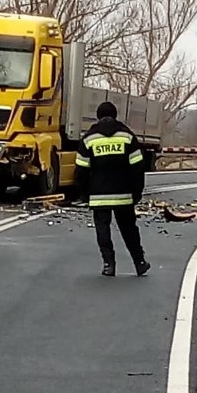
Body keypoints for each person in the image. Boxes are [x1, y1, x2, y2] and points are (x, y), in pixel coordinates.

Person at [74, 101, 150, 277]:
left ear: (98, 116)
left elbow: (81, 170)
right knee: (129, 229)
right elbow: (138, 167)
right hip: (124, 194)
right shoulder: (127, 137)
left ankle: (109, 264)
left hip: (98, 194)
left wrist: (85, 194)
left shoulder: (89, 139)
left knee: (103, 228)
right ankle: (139, 262)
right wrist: (137, 192)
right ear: (115, 115)